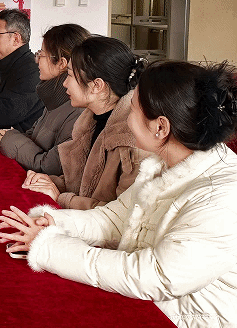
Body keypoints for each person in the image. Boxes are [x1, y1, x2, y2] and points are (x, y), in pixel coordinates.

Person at [0, 61, 237, 328]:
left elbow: (153, 277)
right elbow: (115, 219)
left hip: (209, 326)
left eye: (133, 109)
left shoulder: (222, 202)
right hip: (171, 309)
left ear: (160, 127)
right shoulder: (169, 159)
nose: (126, 119)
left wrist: (49, 248)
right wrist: (54, 223)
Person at [21, 36, 147, 210]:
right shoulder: (89, 121)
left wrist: (61, 198)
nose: (65, 83)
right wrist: (51, 182)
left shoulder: (133, 141)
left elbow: (121, 215)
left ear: (97, 85)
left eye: (70, 75)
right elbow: (84, 184)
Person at [0, 24, 90, 175]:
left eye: (41, 54)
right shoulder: (54, 97)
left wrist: (9, 139)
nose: (37, 60)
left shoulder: (77, 109)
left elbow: (50, 167)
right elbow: (33, 135)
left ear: (61, 63)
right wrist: (11, 137)